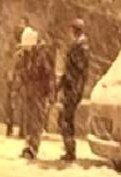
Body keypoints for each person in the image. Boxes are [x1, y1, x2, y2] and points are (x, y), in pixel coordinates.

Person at [16, 28, 55, 159]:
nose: (25, 49)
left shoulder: (42, 56)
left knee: (36, 120)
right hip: (28, 92)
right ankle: (28, 145)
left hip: (39, 93)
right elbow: (21, 73)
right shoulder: (24, 56)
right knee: (28, 120)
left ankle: (33, 147)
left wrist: (50, 93)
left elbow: (49, 75)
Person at [57, 19, 89, 162]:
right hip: (71, 87)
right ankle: (69, 149)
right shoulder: (78, 46)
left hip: (73, 89)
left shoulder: (81, 47)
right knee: (65, 119)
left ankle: (70, 150)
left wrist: (71, 85)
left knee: (65, 119)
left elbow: (78, 70)